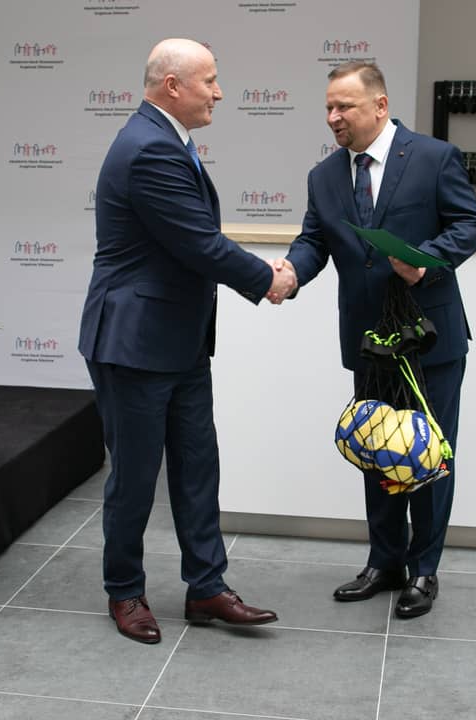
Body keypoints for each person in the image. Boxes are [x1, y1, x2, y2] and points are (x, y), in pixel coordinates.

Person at [78, 38, 295, 644]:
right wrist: (269, 279)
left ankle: (206, 588)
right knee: (135, 478)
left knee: (199, 468)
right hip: (134, 343)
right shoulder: (150, 147)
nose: (219, 92)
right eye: (210, 81)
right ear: (172, 86)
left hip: (179, 342)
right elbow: (199, 243)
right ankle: (125, 591)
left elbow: (191, 243)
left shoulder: (165, 138)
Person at [277, 61, 476, 618]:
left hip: (429, 337)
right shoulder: (324, 176)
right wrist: (291, 272)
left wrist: (426, 262)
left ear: (380, 106)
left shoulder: (434, 157)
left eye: (343, 106)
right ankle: (385, 561)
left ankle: (425, 570)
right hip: (368, 339)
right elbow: (313, 240)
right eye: (328, 107)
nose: (333, 117)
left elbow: (470, 224)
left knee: (429, 454)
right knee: (377, 447)